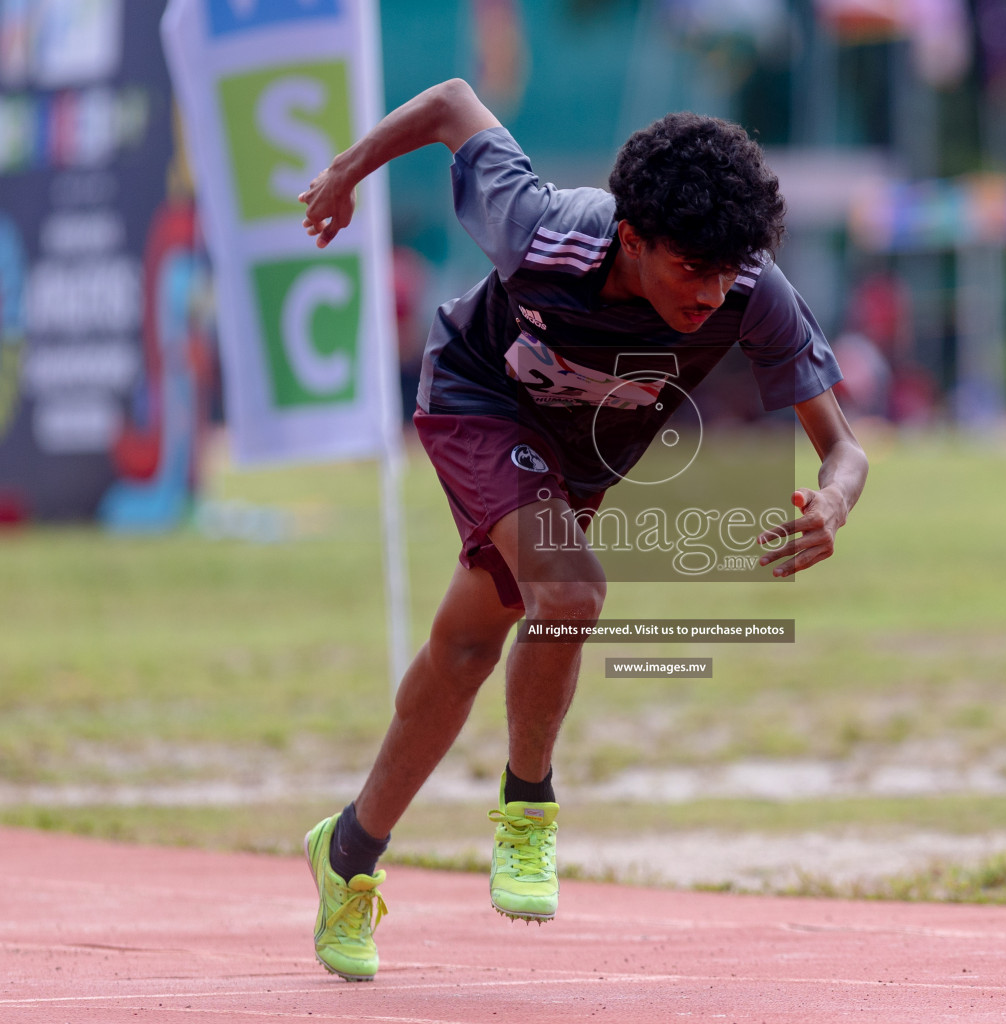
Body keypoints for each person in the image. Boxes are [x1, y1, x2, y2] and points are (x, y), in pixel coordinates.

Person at [296, 78, 869, 982]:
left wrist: (833, 502)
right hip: (479, 399)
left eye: (728, 275)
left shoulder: (749, 287)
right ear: (632, 241)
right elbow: (451, 104)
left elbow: (845, 449)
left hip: (581, 456)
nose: (712, 298)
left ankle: (347, 853)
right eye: (691, 272)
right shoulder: (541, 228)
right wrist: (345, 171)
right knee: (571, 589)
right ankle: (529, 807)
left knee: (466, 649)